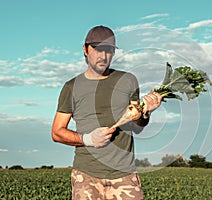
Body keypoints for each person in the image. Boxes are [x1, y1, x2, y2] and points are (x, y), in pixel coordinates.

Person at [51, 25, 162, 200]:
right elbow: (57, 132)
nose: (103, 56)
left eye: (108, 50)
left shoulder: (128, 80)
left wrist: (146, 112)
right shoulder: (71, 87)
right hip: (86, 176)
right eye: (97, 49)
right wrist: (88, 139)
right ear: (85, 50)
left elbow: (137, 126)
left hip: (125, 176)